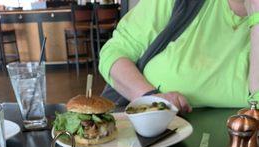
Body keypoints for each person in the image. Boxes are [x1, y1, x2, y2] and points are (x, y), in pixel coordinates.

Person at [99, 0, 259, 113]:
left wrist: (256, 17)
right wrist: (151, 99)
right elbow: (113, 53)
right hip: (154, 137)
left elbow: (256, 102)